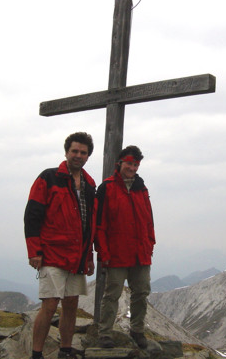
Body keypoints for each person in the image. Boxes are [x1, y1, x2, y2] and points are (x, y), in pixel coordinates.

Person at [24, 132, 96, 359]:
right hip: (52, 253)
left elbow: (90, 222)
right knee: (50, 304)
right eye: (74, 151)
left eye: (83, 152)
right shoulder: (49, 177)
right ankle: (37, 354)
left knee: (71, 304)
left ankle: (65, 350)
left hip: (77, 256)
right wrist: (34, 251)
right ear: (66, 152)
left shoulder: (89, 183)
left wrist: (89, 256)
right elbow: (32, 215)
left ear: (87, 156)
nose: (78, 155)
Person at [95, 145, 155, 349]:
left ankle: (137, 330)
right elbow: (100, 224)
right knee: (112, 294)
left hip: (140, 253)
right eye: (129, 163)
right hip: (117, 253)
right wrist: (103, 252)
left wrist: (150, 244)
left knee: (141, 292)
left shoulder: (141, 189)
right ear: (119, 163)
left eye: (136, 164)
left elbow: (149, 220)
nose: (132, 167)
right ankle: (105, 332)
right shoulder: (107, 188)